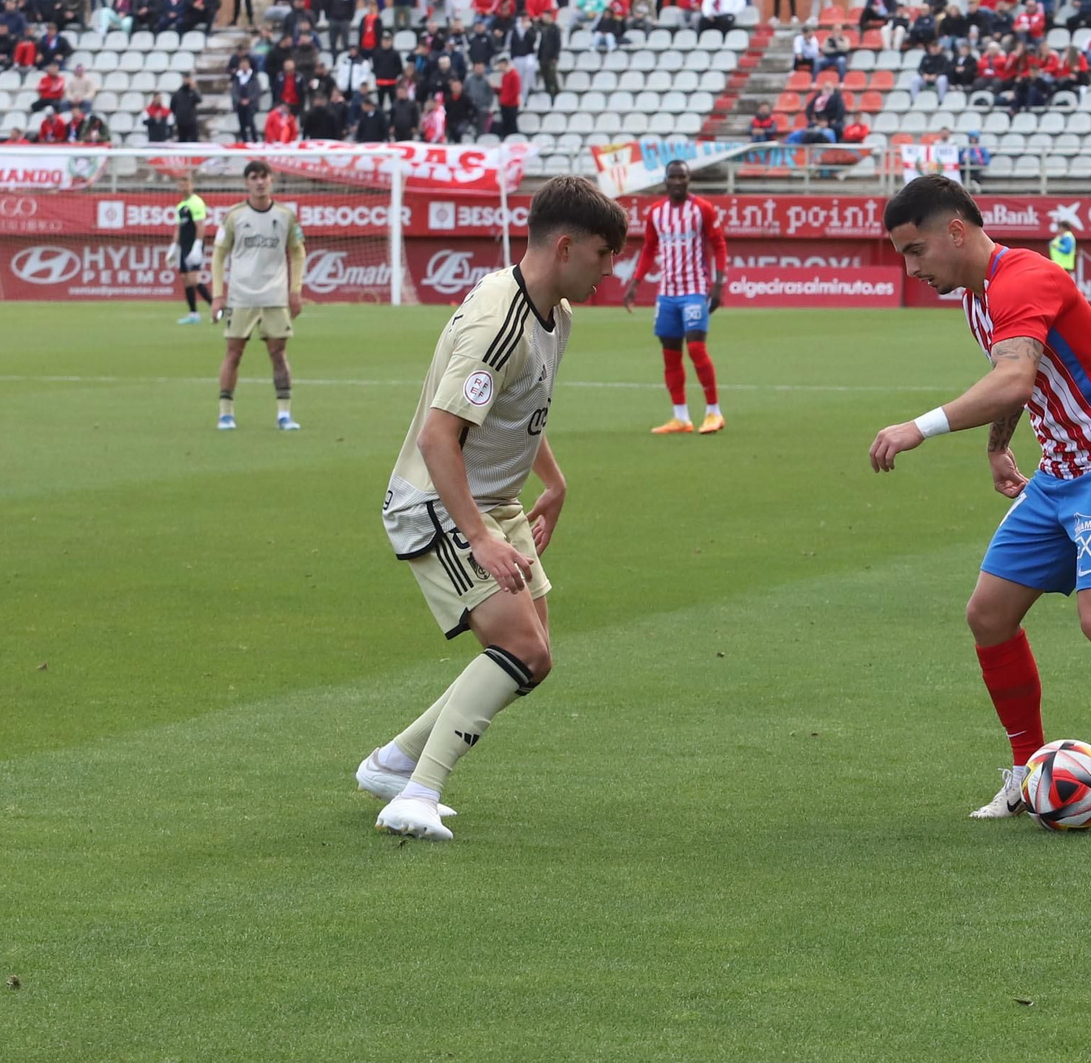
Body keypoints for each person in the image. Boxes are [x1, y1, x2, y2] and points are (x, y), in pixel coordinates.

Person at [869, 176, 1091, 835]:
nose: (911, 267)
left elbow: (1014, 374)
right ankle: (1023, 772)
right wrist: (999, 450)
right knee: (988, 614)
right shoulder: (977, 298)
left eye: (915, 250)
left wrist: (917, 427)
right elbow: (1017, 388)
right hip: (1059, 477)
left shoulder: (1022, 277)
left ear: (955, 230)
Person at [356, 176, 627, 842]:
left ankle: (393, 763)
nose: (609, 270)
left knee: (534, 657)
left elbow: (516, 411)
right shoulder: (497, 321)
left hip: (493, 499)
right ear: (565, 247)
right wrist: (479, 535)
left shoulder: (555, 313)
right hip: (439, 501)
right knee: (520, 647)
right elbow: (437, 436)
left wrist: (555, 482)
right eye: (602, 254)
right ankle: (417, 792)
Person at [622, 160, 728, 436]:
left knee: (695, 349)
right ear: (666, 180)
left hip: (695, 290)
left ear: (688, 180)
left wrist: (719, 283)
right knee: (670, 355)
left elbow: (719, 244)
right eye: (674, 177)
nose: (678, 181)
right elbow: (649, 249)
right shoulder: (656, 213)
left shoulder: (702, 209)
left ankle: (714, 412)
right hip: (667, 294)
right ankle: (680, 417)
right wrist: (635, 282)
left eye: (683, 176)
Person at [209, 160, 307, 432]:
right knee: (233, 353)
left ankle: (284, 414)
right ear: (246, 182)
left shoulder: (286, 216)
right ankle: (225, 414)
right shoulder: (234, 216)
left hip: (275, 296)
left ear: (271, 180)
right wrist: (218, 295)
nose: (260, 182)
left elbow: (298, 252)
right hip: (241, 296)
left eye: (264, 177)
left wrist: (295, 289)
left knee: (278, 353)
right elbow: (218, 255)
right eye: (254, 177)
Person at [169, 174, 213, 324]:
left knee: (194, 279)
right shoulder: (180, 206)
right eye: (180, 184)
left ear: (192, 185)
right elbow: (178, 228)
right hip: (183, 246)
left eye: (186, 183)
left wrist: (197, 245)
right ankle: (194, 314)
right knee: (186, 280)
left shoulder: (197, 202)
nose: (183, 186)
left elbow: (200, 225)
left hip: (194, 245)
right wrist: (173, 247)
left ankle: (217, 308)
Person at [171, 71, 200, 141]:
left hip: (191, 121)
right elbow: (172, 106)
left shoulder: (192, 91)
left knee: (194, 140)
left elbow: (199, 99)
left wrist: (194, 89)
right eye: (185, 78)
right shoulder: (178, 92)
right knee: (182, 140)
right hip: (181, 121)